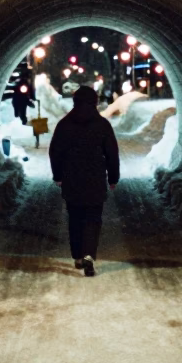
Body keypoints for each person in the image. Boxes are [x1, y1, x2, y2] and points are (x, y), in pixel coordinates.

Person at [49, 85, 119, 277]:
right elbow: (112, 153)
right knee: (93, 218)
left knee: (75, 217)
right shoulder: (102, 125)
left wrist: (58, 175)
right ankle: (89, 253)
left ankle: (78, 256)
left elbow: (55, 152)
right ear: (95, 102)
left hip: (72, 178)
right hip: (95, 178)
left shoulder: (64, 124)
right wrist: (113, 177)